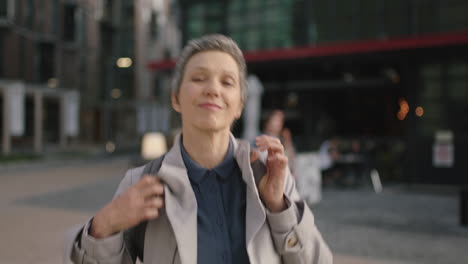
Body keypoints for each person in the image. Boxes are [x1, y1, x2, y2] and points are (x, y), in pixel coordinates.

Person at [65, 34, 332, 264]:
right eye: (199, 78)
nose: (213, 89)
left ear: (239, 105)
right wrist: (104, 227)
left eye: (227, 82)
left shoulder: (270, 177)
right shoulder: (141, 184)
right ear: (176, 97)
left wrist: (279, 208)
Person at [262, 109, 296, 176]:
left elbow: (291, 162)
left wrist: (288, 142)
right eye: (275, 120)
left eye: (280, 121)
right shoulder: (260, 138)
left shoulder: (283, 140)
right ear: (268, 121)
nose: (277, 123)